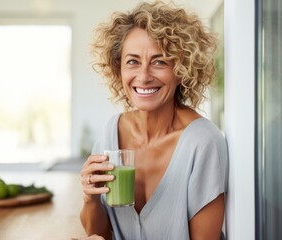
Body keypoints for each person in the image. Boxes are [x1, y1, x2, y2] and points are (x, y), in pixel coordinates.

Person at [79, 1, 228, 239]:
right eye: (133, 61)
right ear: (119, 69)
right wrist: (90, 197)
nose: (144, 76)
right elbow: (98, 233)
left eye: (160, 61)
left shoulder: (202, 142)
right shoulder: (112, 132)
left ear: (182, 70)